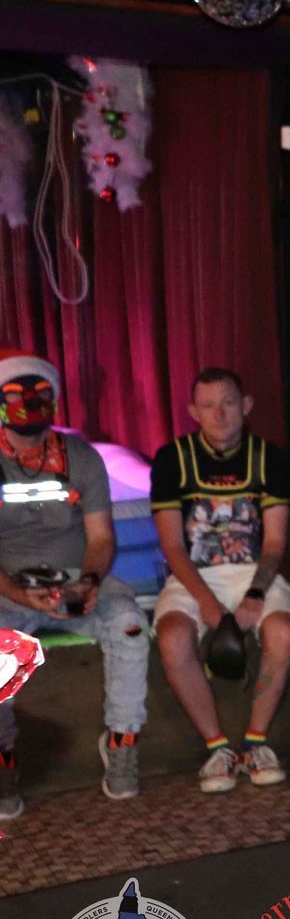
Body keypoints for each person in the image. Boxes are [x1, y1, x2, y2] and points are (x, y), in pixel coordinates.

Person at [0, 350, 148, 817]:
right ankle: (3, 761)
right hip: (8, 590)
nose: (29, 403)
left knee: (130, 625)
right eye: (16, 395)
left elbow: (102, 538)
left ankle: (122, 743)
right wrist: (20, 595)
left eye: (40, 394)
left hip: (73, 583)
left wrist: (88, 582)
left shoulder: (81, 458)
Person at [149, 367, 290, 793]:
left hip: (254, 571)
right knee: (173, 638)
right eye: (209, 405)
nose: (219, 414)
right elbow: (173, 547)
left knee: (282, 632)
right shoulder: (172, 458)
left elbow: (275, 543)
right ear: (193, 411)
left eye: (228, 403)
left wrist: (255, 594)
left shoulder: (269, 457)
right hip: (194, 575)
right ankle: (217, 748)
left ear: (246, 406)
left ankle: (255, 744)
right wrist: (208, 604)